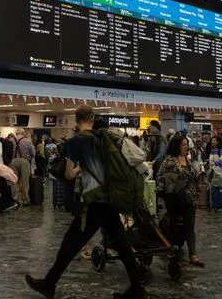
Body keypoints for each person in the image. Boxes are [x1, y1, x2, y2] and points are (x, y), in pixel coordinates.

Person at [25, 106, 145, 299]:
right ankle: (137, 288)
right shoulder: (102, 138)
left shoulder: (77, 141)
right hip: (109, 198)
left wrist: (80, 168)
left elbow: (69, 173)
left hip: (94, 201)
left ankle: (49, 283)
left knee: (70, 243)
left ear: (76, 119)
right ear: (93, 118)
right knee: (121, 244)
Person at [157, 135, 204, 267]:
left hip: (189, 198)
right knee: (174, 224)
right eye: (183, 144)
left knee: (190, 226)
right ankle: (173, 249)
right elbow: (160, 177)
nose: (186, 147)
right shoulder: (169, 161)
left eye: (186, 144)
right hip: (174, 198)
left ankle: (192, 254)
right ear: (177, 146)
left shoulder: (188, 160)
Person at [10, 128, 36, 205]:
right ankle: (25, 199)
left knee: (14, 181)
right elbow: (33, 153)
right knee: (25, 181)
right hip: (24, 161)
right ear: (23, 133)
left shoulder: (11, 140)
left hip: (13, 161)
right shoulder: (27, 140)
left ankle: (15, 199)